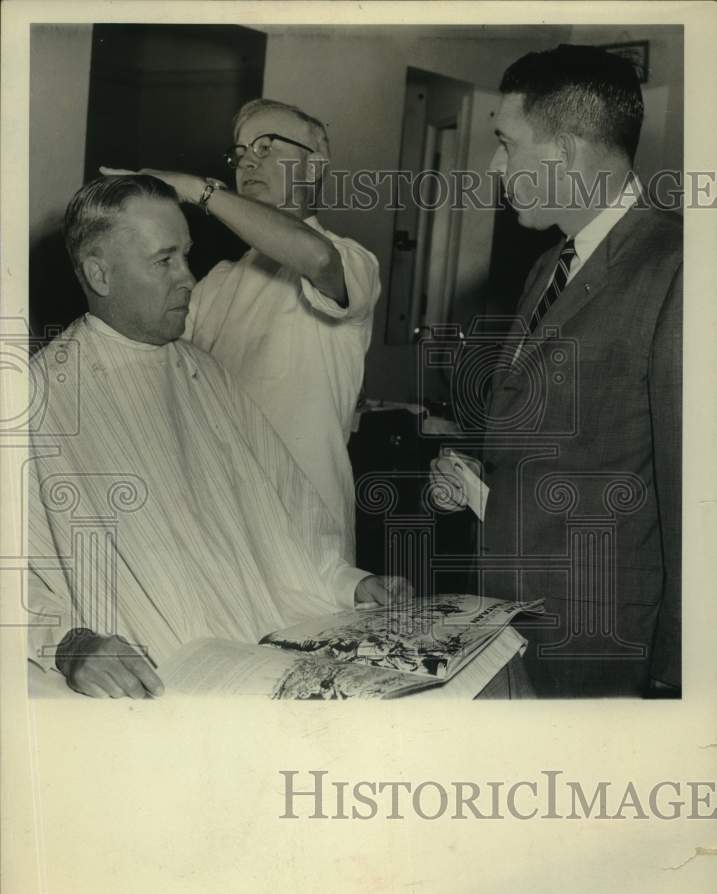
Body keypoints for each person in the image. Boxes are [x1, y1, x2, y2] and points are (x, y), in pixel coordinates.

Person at [27, 175, 404, 699]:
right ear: (100, 274)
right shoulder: (36, 397)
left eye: (186, 255)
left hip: (265, 638)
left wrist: (349, 582)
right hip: (163, 667)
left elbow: (287, 511)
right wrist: (67, 644)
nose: (187, 278)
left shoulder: (206, 372)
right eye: (165, 261)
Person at [432, 44, 682, 697]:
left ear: (563, 154)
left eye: (504, 144)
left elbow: (692, 499)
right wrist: (479, 481)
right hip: (516, 625)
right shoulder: (548, 267)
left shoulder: (678, 267)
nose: (494, 167)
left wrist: (673, 678)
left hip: (606, 648)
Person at [101, 98, 380, 562]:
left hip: (304, 527)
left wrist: (198, 191)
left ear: (315, 166)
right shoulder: (217, 281)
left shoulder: (352, 259)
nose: (248, 160)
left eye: (268, 146)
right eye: (241, 152)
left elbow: (316, 259)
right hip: (220, 518)